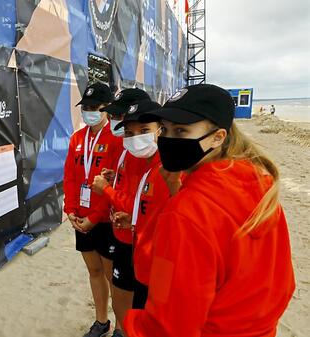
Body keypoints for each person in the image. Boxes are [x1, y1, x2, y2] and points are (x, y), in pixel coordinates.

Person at [123, 84, 295, 337]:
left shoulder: (187, 211)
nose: (168, 140)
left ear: (218, 137)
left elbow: (168, 323)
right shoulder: (259, 184)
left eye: (181, 130)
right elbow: (282, 280)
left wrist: (131, 325)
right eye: (165, 129)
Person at [91, 97, 172, 337]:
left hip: (146, 248)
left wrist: (106, 190)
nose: (135, 137)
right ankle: (121, 329)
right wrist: (115, 177)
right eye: (129, 131)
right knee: (122, 297)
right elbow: (140, 201)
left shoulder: (165, 167)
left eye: (144, 130)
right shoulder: (132, 153)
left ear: (160, 130)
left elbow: (145, 205)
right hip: (129, 236)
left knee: (142, 304)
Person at [64, 82, 122, 337]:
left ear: (107, 108)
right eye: (85, 107)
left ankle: (120, 327)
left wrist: (95, 217)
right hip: (82, 217)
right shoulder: (78, 137)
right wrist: (70, 210)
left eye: (94, 107)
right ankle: (102, 322)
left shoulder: (118, 139)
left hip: (106, 220)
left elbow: (115, 185)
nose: (89, 112)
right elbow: (70, 177)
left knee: (113, 278)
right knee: (94, 271)